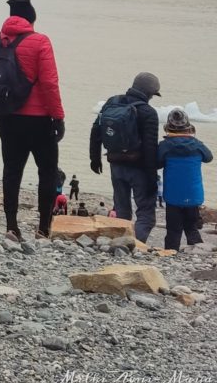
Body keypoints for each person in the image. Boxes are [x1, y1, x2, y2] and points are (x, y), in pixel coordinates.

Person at [0, 0, 65, 242]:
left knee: (12, 171)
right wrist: (58, 117)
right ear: (31, 18)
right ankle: (44, 229)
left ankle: (11, 226)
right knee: (46, 172)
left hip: (8, 119)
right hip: (39, 120)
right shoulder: (40, 41)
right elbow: (49, 83)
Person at [89, 72, 161, 243]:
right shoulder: (148, 112)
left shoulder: (112, 102)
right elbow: (150, 149)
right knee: (146, 216)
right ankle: (133, 245)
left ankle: (119, 244)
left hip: (115, 165)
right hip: (139, 169)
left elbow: (96, 131)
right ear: (150, 93)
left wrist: (95, 158)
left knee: (122, 212)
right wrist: (153, 179)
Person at [156, 107, 212, 251]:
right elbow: (209, 157)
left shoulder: (165, 146)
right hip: (193, 195)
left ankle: (170, 253)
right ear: (188, 127)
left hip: (173, 196)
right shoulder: (197, 145)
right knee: (192, 227)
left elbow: (156, 163)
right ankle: (198, 252)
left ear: (168, 127)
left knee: (173, 230)